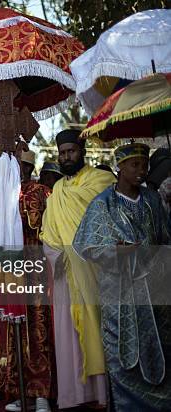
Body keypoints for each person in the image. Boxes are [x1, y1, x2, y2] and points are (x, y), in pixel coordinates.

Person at [74, 143, 171, 411]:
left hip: (155, 291)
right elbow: (87, 246)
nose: (142, 170)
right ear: (120, 167)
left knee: (160, 346)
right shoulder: (103, 204)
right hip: (119, 291)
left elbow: (165, 238)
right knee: (121, 351)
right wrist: (117, 252)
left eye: (144, 164)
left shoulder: (152, 199)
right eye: (135, 165)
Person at [40, 129, 116, 409]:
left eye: (71, 151)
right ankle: (74, 394)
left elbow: (110, 222)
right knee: (67, 332)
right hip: (64, 271)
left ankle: (103, 393)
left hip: (96, 272)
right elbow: (47, 233)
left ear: (82, 151)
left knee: (98, 327)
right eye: (62, 153)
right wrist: (56, 255)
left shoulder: (102, 181)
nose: (66, 157)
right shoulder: (57, 190)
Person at [0, 150, 55, 412]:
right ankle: (16, 389)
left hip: (34, 272)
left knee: (37, 331)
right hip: (6, 273)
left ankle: (41, 393)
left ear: (26, 167)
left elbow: (43, 225)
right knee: (9, 334)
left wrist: (20, 212)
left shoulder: (41, 192)